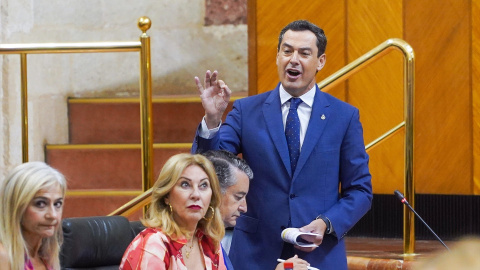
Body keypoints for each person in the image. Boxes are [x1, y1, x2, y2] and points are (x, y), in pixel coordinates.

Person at [192, 20, 373, 270]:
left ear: (320, 61)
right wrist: (213, 119)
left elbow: (360, 191)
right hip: (256, 254)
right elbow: (208, 169)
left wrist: (326, 223)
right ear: (277, 56)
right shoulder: (246, 111)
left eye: (304, 53)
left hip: (319, 255)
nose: (293, 59)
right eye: (287, 51)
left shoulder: (344, 117)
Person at [203, 150, 309, 270]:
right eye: (238, 197)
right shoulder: (189, 243)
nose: (244, 208)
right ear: (214, 192)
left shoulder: (212, 240)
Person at [119, 153, 226, 270]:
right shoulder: (153, 244)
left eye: (203, 185)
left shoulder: (209, 241)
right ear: (167, 196)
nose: (196, 194)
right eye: (185, 184)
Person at [0, 161, 67, 270]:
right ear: (16, 207)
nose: (53, 215)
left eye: (57, 204)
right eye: (40, 204)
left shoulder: (47, 255)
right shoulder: (3, 256)